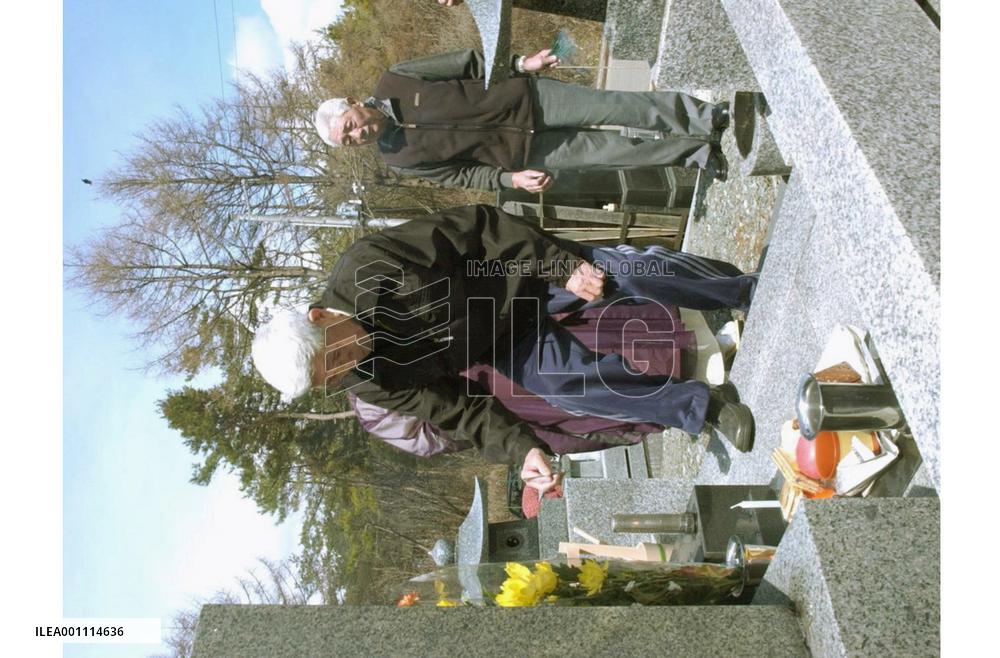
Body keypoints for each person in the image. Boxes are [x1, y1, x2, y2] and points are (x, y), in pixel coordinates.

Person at [251, 205, 755, 495]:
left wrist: (560, 265)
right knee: (567, 386)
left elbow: (479, 228)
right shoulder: (370, 382)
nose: (347, 370)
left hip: (515, 274)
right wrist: (524, 451)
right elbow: (462, 411)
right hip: (504, 342)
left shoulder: (367, 265)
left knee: (625, 274)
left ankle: (739, 290)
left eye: (335, 356)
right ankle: (703, 405)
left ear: (320, 319)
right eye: (332, 379)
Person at [313, 49, 730, 193]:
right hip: (526, 153)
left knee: (618, 106)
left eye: (349, 125)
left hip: (530, 98)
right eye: (349, 141)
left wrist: (520, 63)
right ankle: (696, 154)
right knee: (617, 152)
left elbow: (469, 62)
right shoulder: (399, 160)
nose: (357, 135)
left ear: (352, 103)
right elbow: (463, 177)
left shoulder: (397, 77)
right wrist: (510, 180)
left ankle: (706, 118)